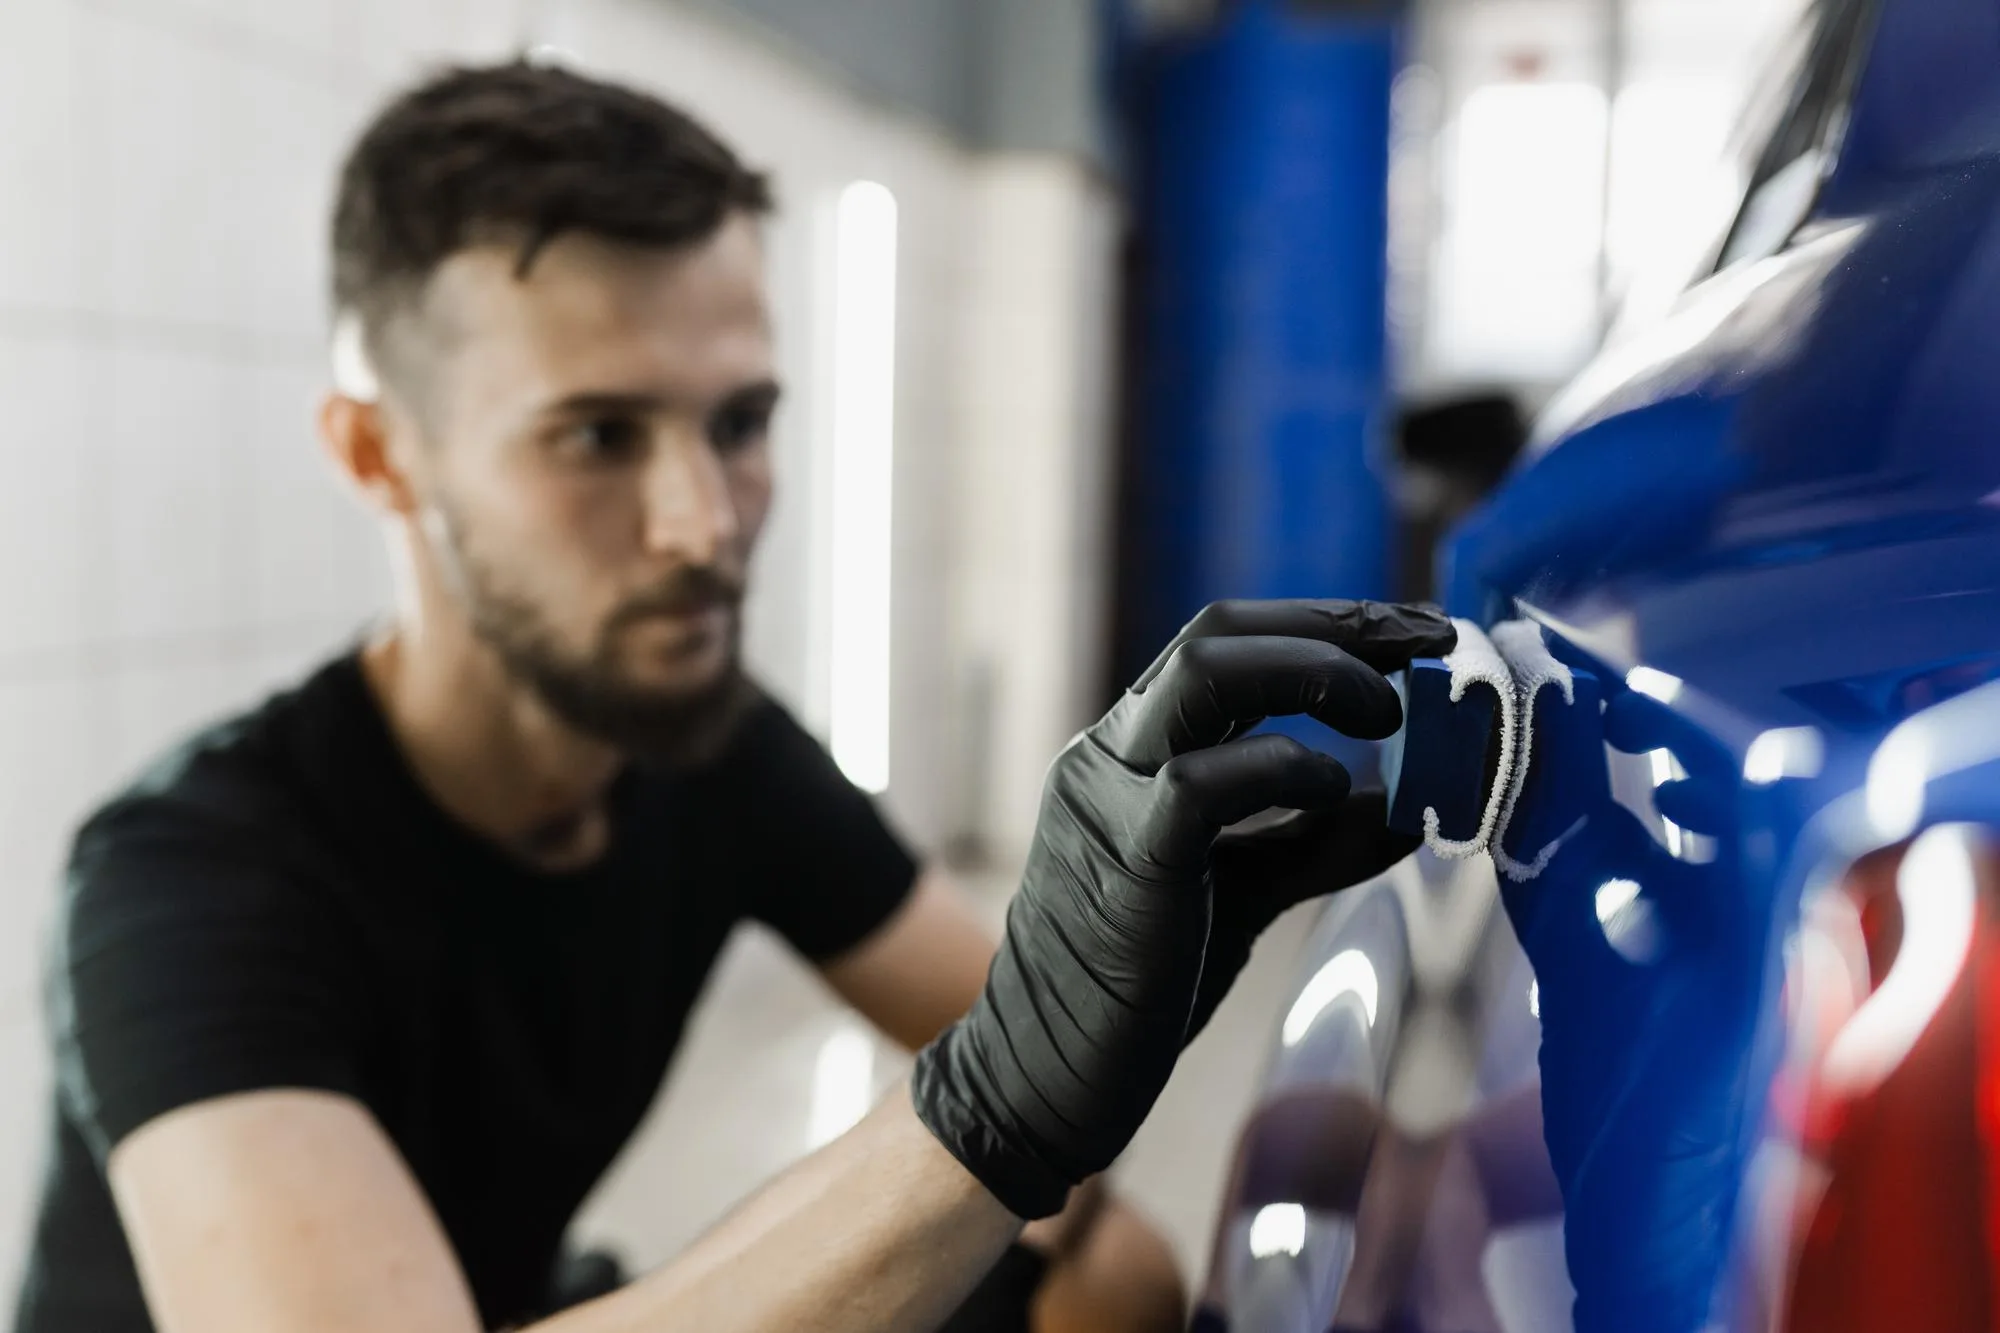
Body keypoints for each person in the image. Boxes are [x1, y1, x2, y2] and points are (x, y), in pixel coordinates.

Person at [11, 59, 1457, 1333]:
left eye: (741, 421)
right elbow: (998, 1084)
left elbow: (1014, 1022)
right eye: (595, 435)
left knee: (1105, 1281)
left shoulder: (707, 753)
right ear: (383, 458)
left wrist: (1210, 1037)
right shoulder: (186, 881)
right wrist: (987, 1119)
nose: (705, 522)